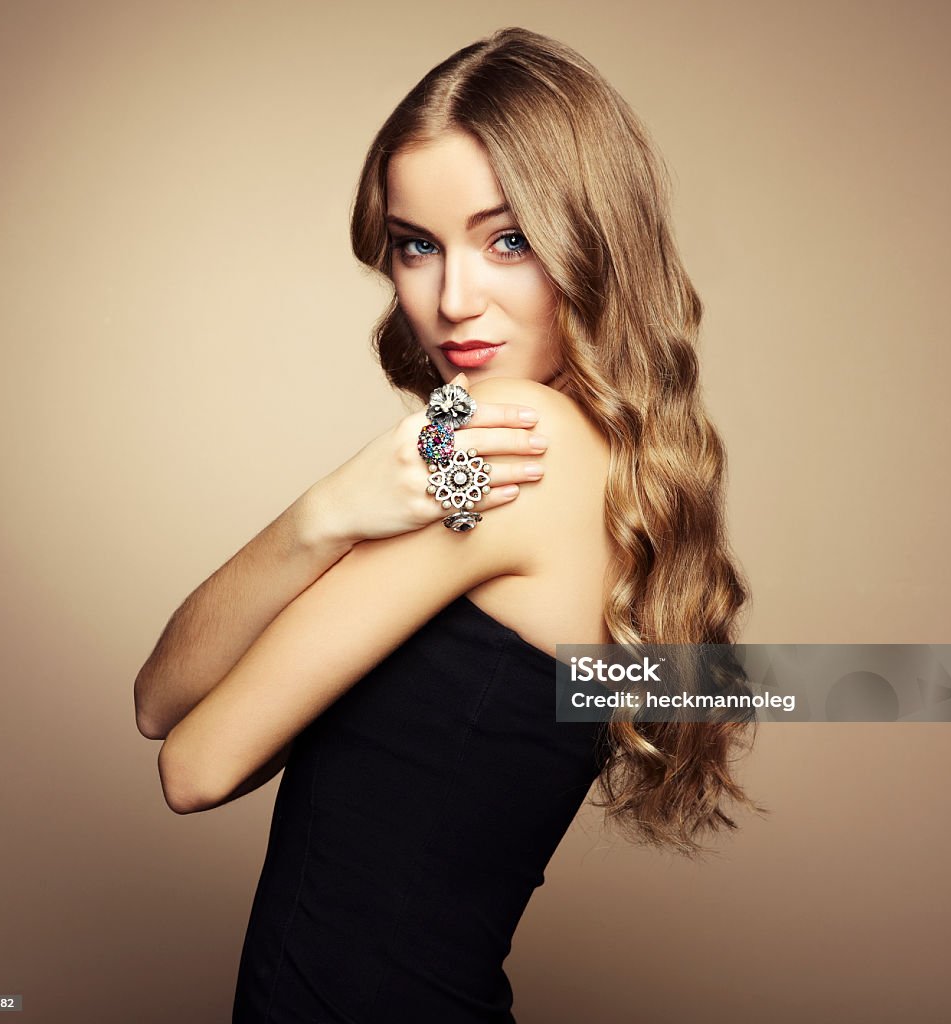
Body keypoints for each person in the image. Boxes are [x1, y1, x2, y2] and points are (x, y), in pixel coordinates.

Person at [134, 26, 761, 1023]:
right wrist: (324, 515)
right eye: (416, 245)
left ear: (589, 242)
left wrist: (330, 512)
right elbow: (163, 697)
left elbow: (191, 764)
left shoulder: (527, 449)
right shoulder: (586, 462)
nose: (452, 298)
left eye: (506, 239)